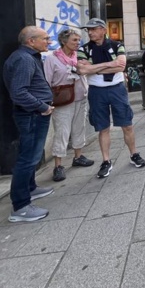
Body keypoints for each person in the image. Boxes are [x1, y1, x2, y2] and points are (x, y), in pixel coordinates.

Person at [77, 18, 145, 178]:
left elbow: (121, 66)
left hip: (117, 89)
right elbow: (81, 69)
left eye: (93, 29)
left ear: (103, 30)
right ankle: (106, 161)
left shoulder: (117, 45)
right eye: (88, 30)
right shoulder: (84, 49)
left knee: (127, 124)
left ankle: (134, 154)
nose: (90, 32)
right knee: (103, 127)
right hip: (96, 91)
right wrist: (109, 65)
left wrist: (94, 68)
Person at [3, 26, 55, 222]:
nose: (48, 42)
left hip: (34, 113)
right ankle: (21, 206)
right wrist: (42, 106)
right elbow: (19, 92)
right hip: (32, 115)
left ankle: (30, 189)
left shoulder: (27, 57)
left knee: (31, 155)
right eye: (45, 38)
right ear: (31, 41)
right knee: (28, 158)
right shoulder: (24, 60)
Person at [44, 28, 94, 182]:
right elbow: (46, 81)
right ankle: (58, 165)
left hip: (81, 97)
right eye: (74, 40)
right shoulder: (52, 59)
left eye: (78, 40)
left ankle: (78, 156)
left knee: (79, 128)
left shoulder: (79, 57)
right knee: (62, 132)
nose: (77, 43)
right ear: (64, 41)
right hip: (62, 101)